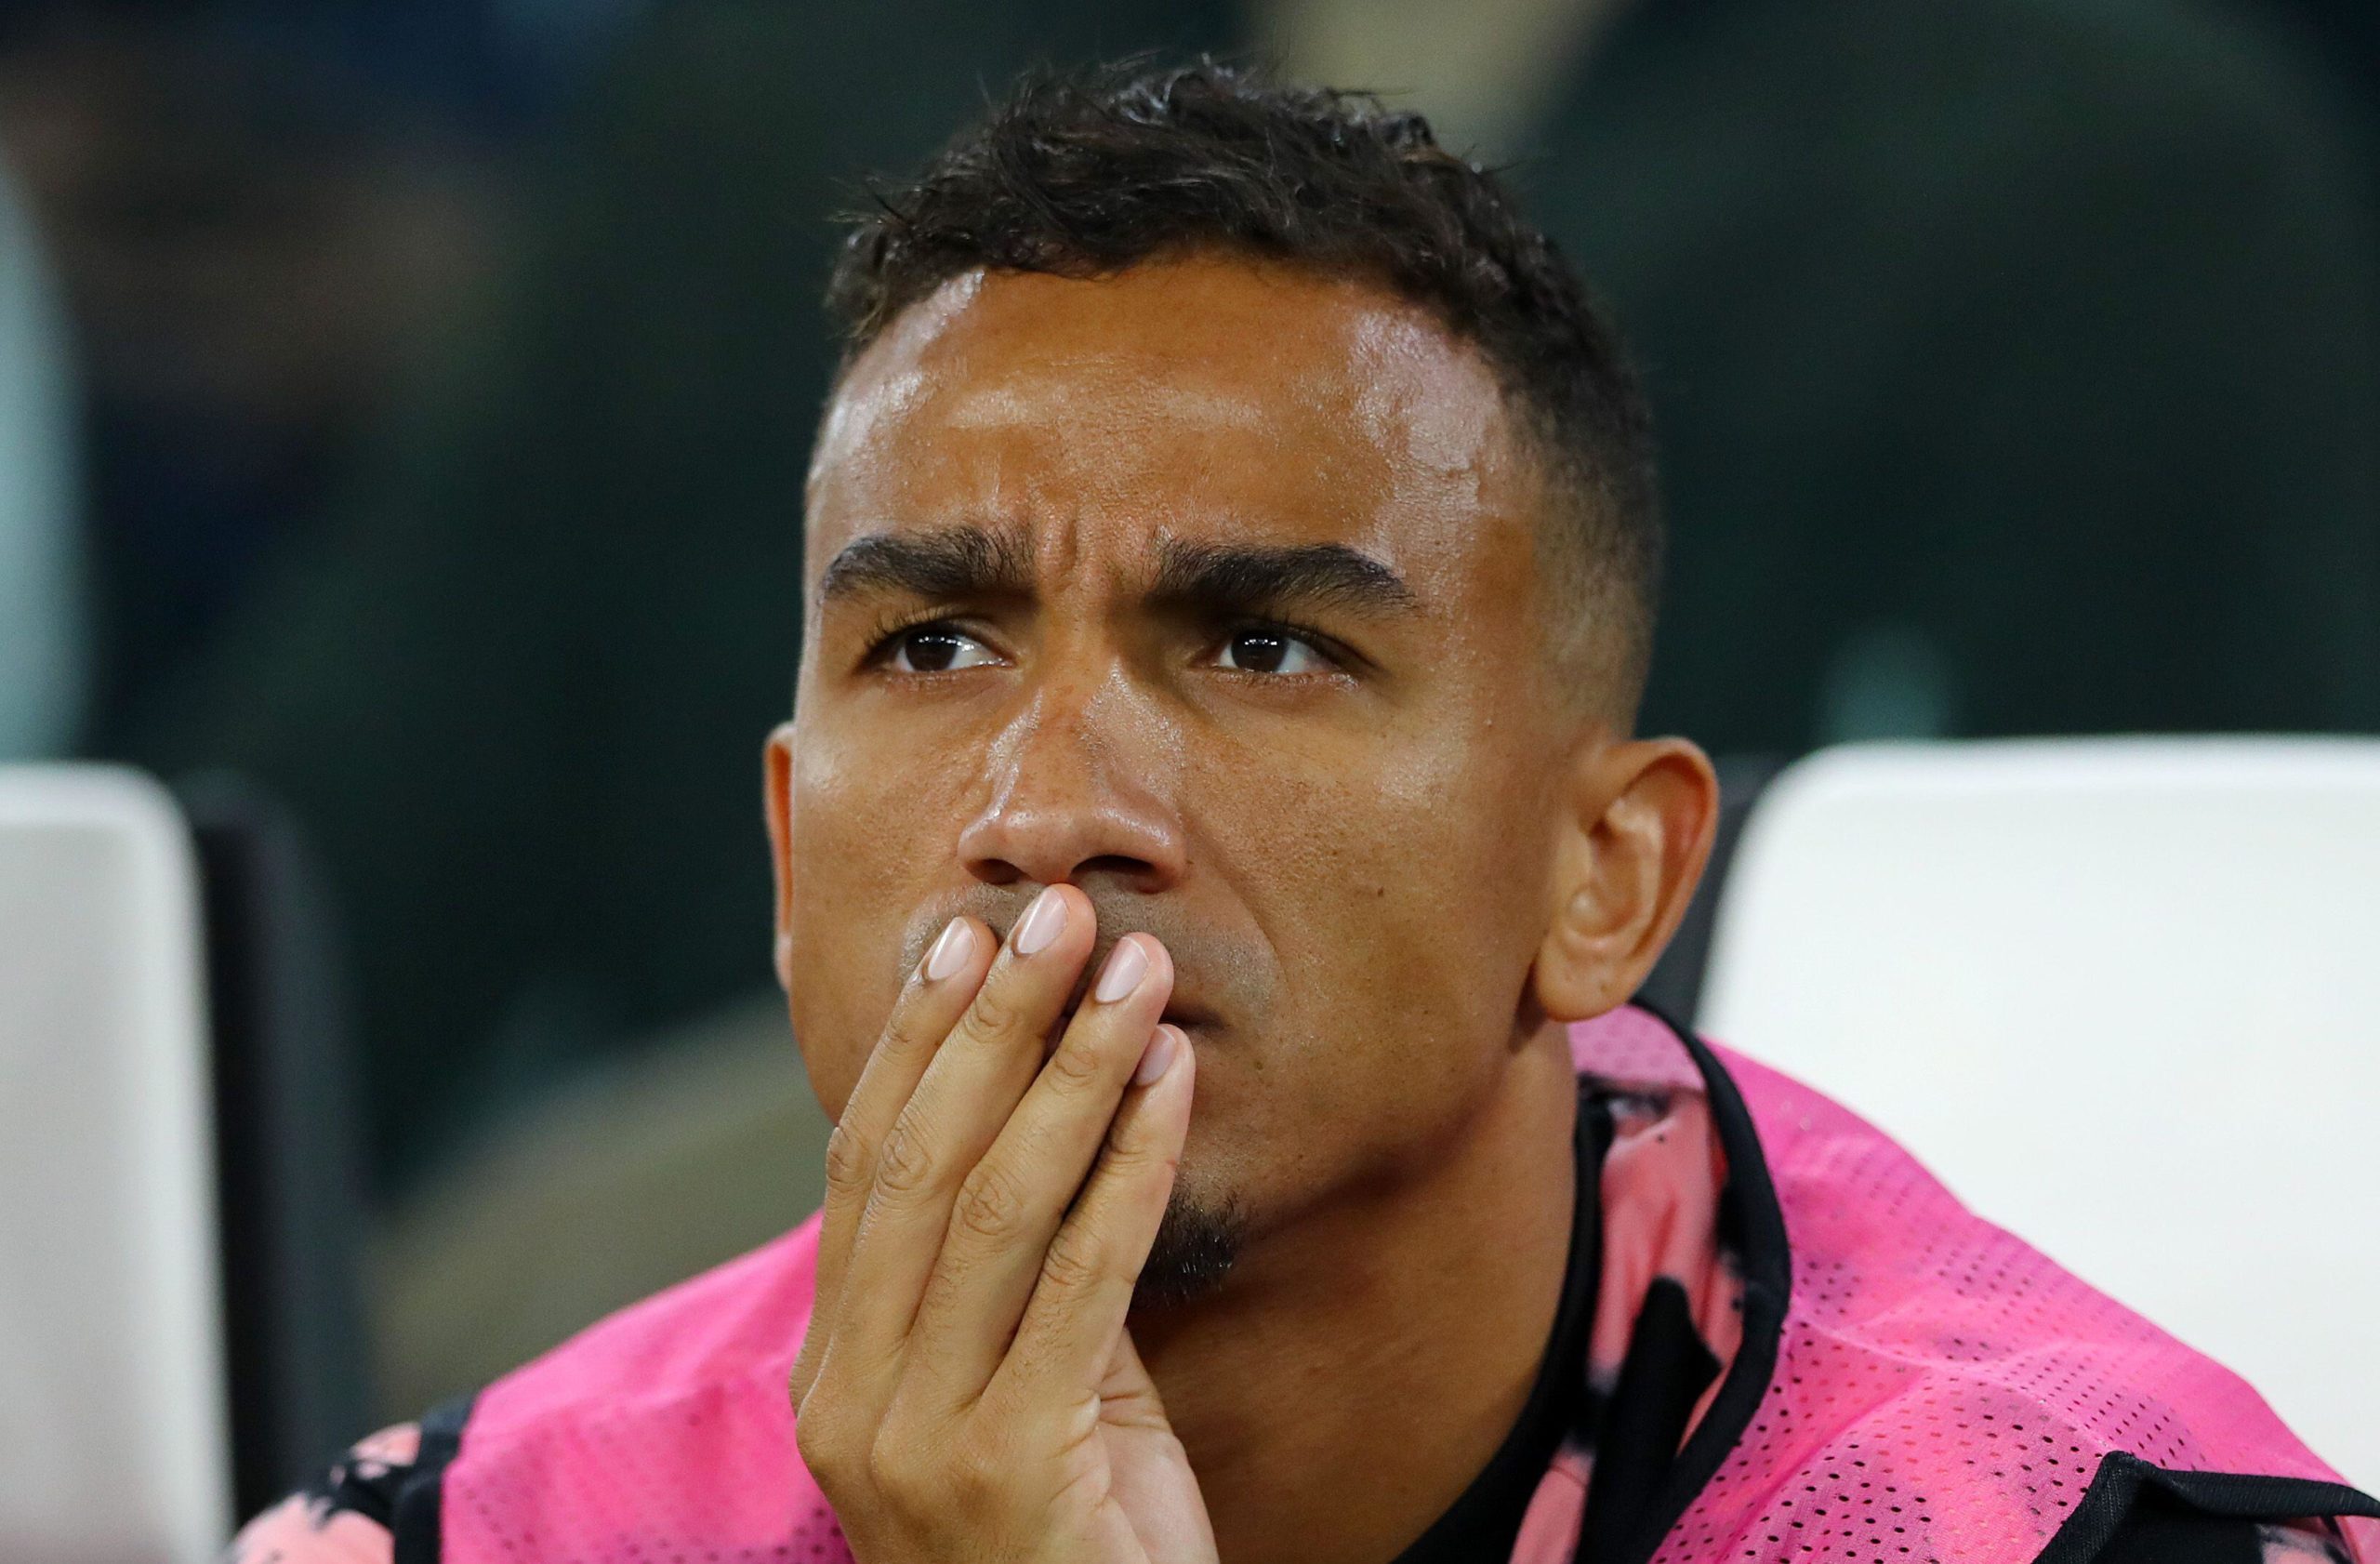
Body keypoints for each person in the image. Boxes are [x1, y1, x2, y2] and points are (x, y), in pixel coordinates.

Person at [229, 63, 2378, 1564]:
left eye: (1262, 648)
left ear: (1600, 874)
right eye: (934, 645)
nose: (1048, 807)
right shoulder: (462, 1538)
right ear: (790, 857)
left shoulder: (2074, 1531)